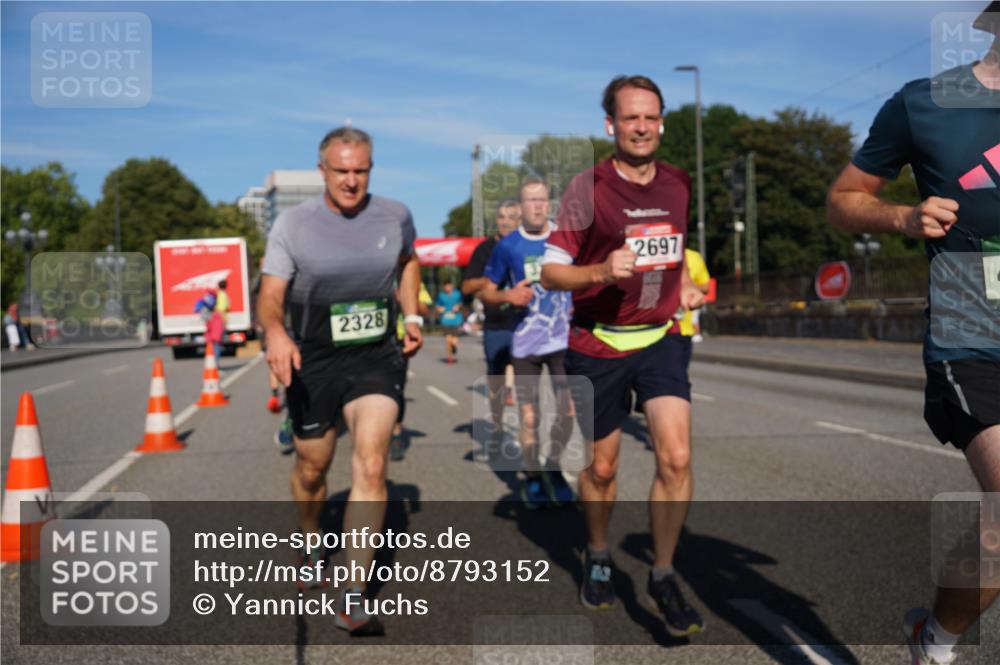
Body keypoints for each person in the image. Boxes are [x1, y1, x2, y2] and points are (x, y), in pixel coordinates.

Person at [826, 7, 999, 663]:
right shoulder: (925, 104)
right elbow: (845, 197)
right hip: (974, 336)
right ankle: (939, 642)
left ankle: (935, 632)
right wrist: (904, 214)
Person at [540, 75, 706, 636]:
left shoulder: (679, 184)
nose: (642, 127)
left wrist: (681, 282)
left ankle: (662, 573)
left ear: (662, 121)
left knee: (676, 458)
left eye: (651, 117)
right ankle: (598, 552)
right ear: (610, 125)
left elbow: (675, 248)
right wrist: (600, 271)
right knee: (603, 468)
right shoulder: (586, 189)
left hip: (661, 338)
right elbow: (550, 270)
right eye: (631, 118)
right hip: (596, 341)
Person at [257, 126, 423, 636]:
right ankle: (311, 536)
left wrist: (411, 315)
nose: (351, 181)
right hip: (315, 357)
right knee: (314, 466)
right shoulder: (293, 224)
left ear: (371, 169)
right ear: (322, 170)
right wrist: (277, 333)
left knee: (372, 462)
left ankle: (353, 590)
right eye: (341, 170)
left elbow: (409, 260)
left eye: (361, 170)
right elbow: (270, 295)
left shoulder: (394, 214)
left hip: (376, 354)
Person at [480, 177, 576, 508]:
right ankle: (534, 478)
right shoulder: (508, 246)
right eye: (530, 201)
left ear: (549, 203)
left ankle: (554, 467)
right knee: (530, 417)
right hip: (525, 344)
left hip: (564, 339)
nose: (536, 206)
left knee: (568, 412)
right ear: (520, 208)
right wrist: (507, 295)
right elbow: (485, 292)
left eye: (542, 200)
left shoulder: (565, 239)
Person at [462, 200, 522, 458]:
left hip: (527, 324)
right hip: (497, 324)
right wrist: (489, 281)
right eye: (501, 216)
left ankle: (532, 434)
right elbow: (466, 287)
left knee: (529, 380)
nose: (505, 221)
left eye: (511, 216)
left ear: (522, 219)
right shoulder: (485, 249)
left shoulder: (530, 245)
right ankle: (497, 427)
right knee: (496, 380)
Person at [390, 281, 432, 461]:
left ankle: (396, 434)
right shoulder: (368, 267)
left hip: (398, 339)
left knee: (396, 388)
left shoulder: (408, 276)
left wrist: (405, 298)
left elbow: (424, 310)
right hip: (366, 340)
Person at [677, 249, 711, 355]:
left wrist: (688, 286)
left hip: (684, 329)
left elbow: (706, 287)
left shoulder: (694, 256)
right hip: (656, 329)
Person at [435, 279, 463, 363]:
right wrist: (440, 309)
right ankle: (450, 357)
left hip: (456, 318)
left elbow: (460, 303)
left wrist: (458, 306)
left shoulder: (457, 294)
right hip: (446, 319)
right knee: (448, 339)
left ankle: (454, 346)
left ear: (452, 286)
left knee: (454, 340)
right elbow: (437, 305)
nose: (447, 288)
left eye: (448, 286)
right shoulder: (441, 295)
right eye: (445, 286)